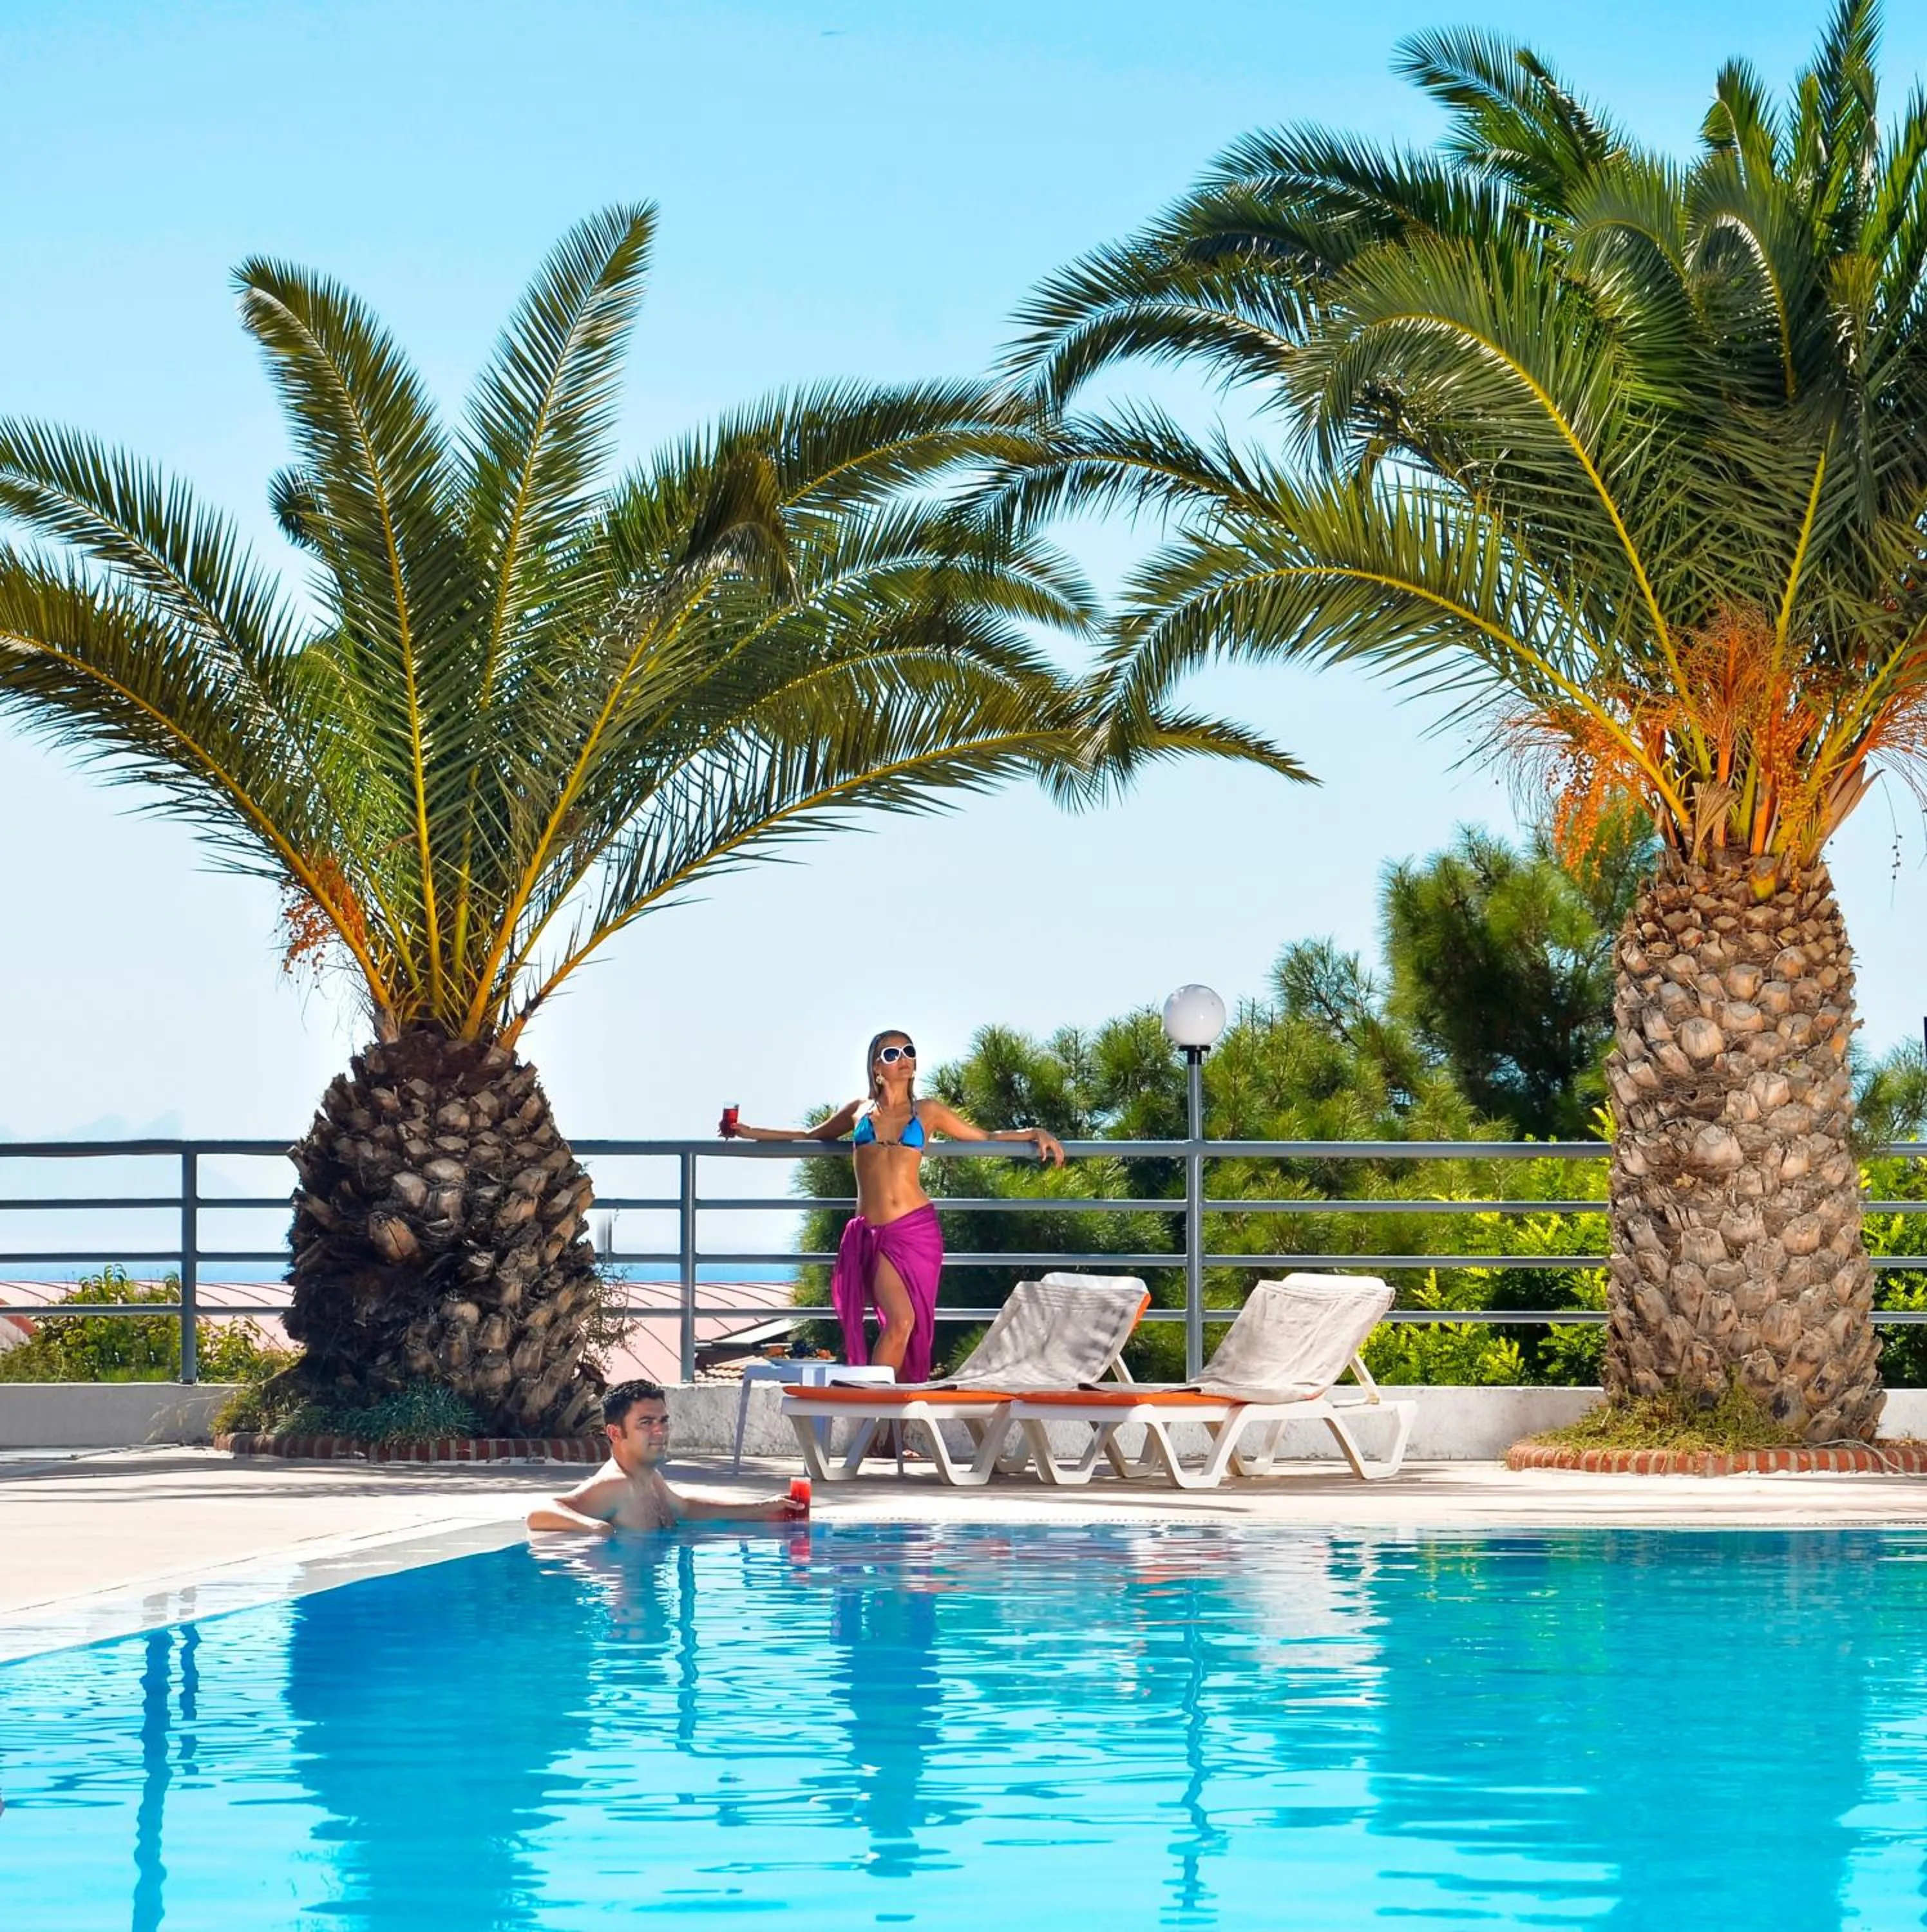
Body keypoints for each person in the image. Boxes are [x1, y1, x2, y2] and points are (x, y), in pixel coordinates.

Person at [723, 1030, 1065, 1383]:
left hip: (916, 1231)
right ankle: (876, 1407)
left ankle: (883, 1410)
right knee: (901, 1322)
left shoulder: (928, 1111)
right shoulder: (859, 1111)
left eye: (909, 1051)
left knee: (908, 1326)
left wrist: (1033, 1132)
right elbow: (810, 1136)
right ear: (876, 1068)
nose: (903, 1059)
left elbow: (984, 1137)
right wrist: (749, 1131)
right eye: (892, 1054)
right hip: (872, 1234)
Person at [526, 1379, 808, 1535]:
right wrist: (595, 1528)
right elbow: (540, 1513)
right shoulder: (615, 1485)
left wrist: (762, 1508)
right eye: (646, 1423)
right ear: (615, 1432)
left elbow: (685, 1508)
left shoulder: (650, 1479)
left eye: (663, 1420)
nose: (660, 1431)